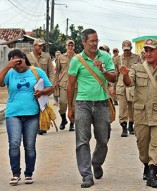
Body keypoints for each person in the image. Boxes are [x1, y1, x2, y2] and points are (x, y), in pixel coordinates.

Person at [119, 38, 157, 188]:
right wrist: (125, 74)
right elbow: (129, 83)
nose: (148, 53)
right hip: (141, 113)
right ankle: (146, 164)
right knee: (142, 145)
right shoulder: (137, 68)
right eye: (146, 50)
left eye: (152, 50)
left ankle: (153, 173)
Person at [67, 28, 116, 188]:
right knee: (82, 141)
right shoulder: (77, 60)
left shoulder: (106, 57)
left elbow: (114, 78)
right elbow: (71, 85)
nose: (95, 44)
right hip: (83, 104)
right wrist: (70, 108)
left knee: (103, 139)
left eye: (97, 41)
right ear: (84, 42)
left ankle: (96, 162)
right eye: (92, 41)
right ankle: (86, 175)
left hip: (102, 103)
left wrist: (102, 69)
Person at [0, 49, 53, 185]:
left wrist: (41, 92)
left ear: (24, 58)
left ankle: (28, 173)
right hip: (13, 114)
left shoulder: (36, 72)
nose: (18, 65)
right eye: (14, 63)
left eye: (19, 61)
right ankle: (15, 173)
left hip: (32, 114)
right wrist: (7, 67)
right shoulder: (10, 73)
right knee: (14, 144)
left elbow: (50, 87)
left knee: (30, 146)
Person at [26, 38, 55, 135]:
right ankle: (36, 125)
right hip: (31, 86)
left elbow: (51, 71)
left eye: (42, 45)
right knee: (35, 105)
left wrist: (50, 85)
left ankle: (43, 126)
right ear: (34, 46)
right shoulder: (27, 57)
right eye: (39, 45)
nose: (41, 47)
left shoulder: (46, 57)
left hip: (44, 86)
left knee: (43, 105)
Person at [113, 40, 141, 137]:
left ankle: (131, 124)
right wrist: (113, 87)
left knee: (132, 107)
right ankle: (124, 126)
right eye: (125, 50)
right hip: (121, 86)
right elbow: (115, 75)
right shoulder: (117, 59)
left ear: (131, 48)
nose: (126, 52)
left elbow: (140, 72)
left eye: (128, 50)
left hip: (132, 86)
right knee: (122, 107)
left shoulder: (137, 58)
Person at [55, 40, 76, 131]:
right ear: (66, 47)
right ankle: (63, 119)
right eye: (69, 45)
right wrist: (55, 83)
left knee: (74, 105)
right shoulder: (61, 57)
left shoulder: (78, 57)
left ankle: (72, 123)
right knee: (63, 103)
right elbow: (57, 71)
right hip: (64, 84)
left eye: (72, 45)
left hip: (75, 84)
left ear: (74, 47)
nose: (70, 47)